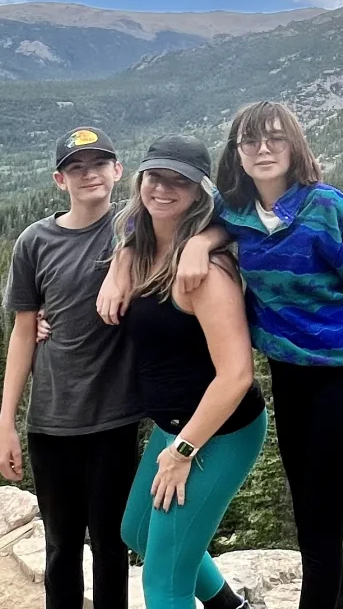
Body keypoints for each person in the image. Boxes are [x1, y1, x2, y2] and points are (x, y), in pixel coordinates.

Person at [100, 102, 343, 609]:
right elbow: (175, 222)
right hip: (290, 376)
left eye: (275, 139)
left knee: (320, 523)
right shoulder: (238, 210)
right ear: (237, 154)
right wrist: (169, 250)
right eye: (251, 141)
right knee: (307, 511)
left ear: (295, 147)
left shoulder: (330, 209)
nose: (263, 150)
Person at [112, 134, 267, 609]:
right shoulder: (142, 249)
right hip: (174, 424)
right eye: (155, 177)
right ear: (140, 180)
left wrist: (182, 452)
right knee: (137, 530)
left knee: (164, 582)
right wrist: (120, 261)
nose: (163, 188)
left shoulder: (206, 273)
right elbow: (133, 229)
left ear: (200, 192)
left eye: (178, 181)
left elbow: (236, 375)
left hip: (218, 432)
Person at [0, 126, 143, 609]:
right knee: (60, 548)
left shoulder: (137, 225)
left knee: (111, 545)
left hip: (114, 418)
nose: (88, 174)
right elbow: (23, 332)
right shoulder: (34, 242)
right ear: (60, 180)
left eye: (98, 164)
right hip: (52, 420)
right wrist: (6, 423)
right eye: (76, 168)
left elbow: (209, 210)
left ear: (118, 170)